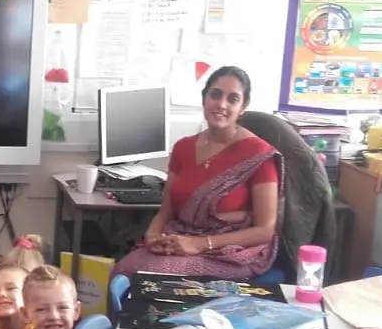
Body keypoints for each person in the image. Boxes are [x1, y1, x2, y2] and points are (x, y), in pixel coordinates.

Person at [116, 66, 282, 280]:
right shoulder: (183, 147)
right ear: (204, 98)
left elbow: (265, 230)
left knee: (151, 276)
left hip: (230, 252)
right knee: (122, 270)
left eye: (232, 99)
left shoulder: (259, 155)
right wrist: (153, 235)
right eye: (215, 95)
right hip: (181, 238)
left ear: (242, 107)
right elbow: (167, 209)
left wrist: (201, 244)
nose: (221, 104)